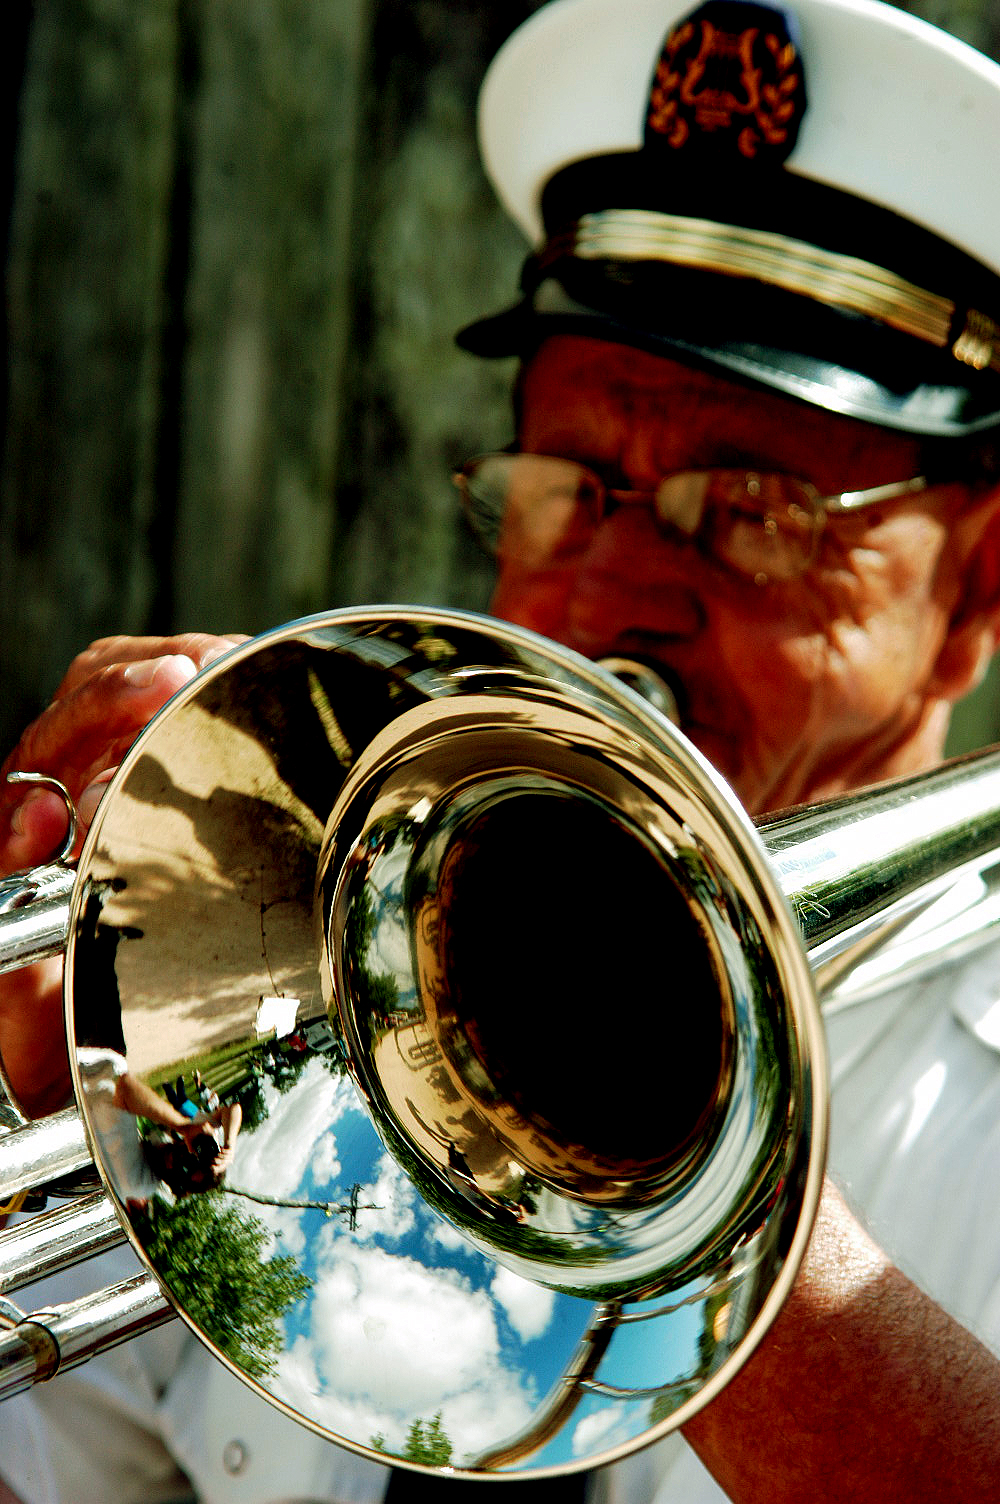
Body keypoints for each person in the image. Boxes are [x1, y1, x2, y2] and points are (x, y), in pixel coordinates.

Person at [2, 0, 1000, 1500]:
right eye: (569, 488)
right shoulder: (326, 933)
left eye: (753, 510)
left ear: (975, 594)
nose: (618, 597)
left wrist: (700, 1195)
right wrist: (41, 1107)